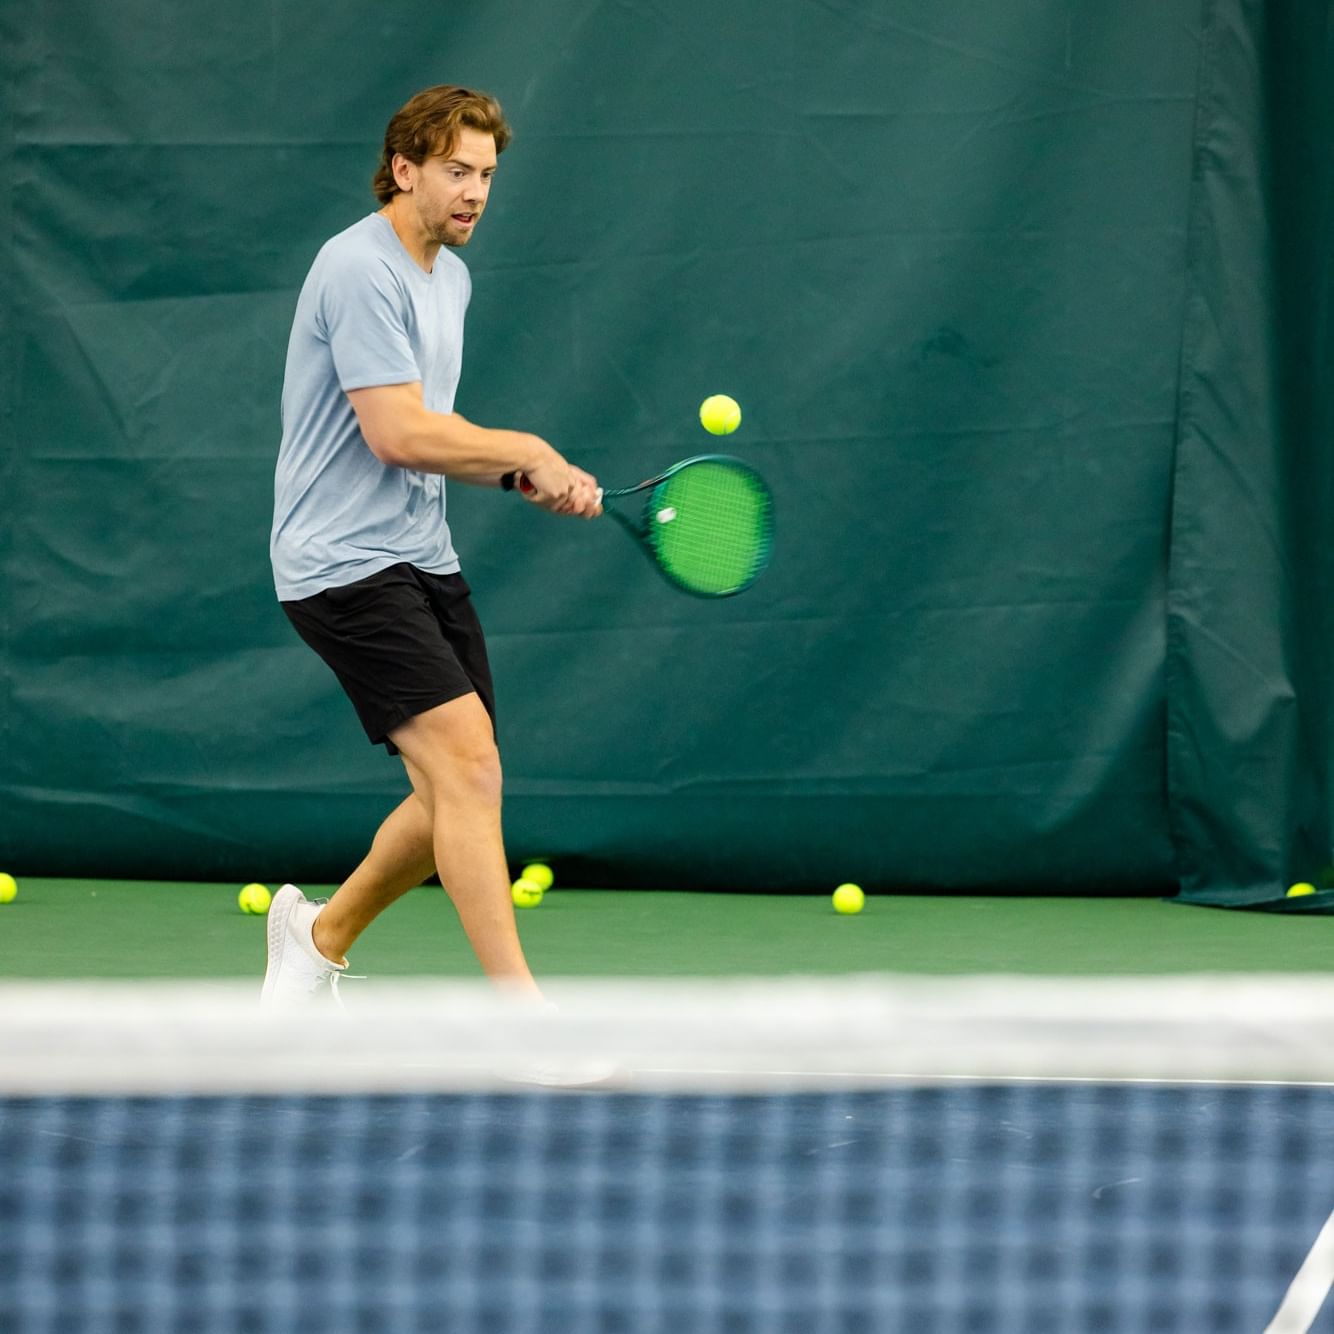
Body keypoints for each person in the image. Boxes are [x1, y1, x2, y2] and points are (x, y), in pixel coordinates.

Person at [263, 84, 600, 1008]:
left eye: (487, 175)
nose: (475, 192)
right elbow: (397, 433)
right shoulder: (355, 268)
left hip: (420, 552)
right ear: (403, 168)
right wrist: (526, 447)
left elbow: (434, 432)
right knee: (470, 769)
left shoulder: (448, 277)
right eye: (456, 171)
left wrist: (513, 477)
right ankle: (524, 1021)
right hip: (339, 565)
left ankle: (315, 937)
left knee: (454, 790)